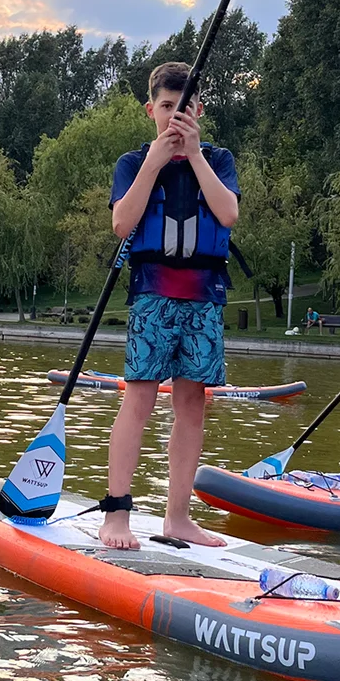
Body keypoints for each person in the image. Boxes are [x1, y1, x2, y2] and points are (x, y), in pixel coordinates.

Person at [99, 62, 240, 550]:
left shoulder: (218, 159)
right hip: (153, 296)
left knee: (192, 406)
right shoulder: (131, 163)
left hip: (203, 298)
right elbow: (123, 224)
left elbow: (228, 214)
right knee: (137, 398)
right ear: (151, 110)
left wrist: (195, 156)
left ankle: (177, 517)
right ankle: (116, 515)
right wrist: (155, 163)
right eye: (166, 108)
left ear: (199, 111)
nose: (175, 118)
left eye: (185, 109)